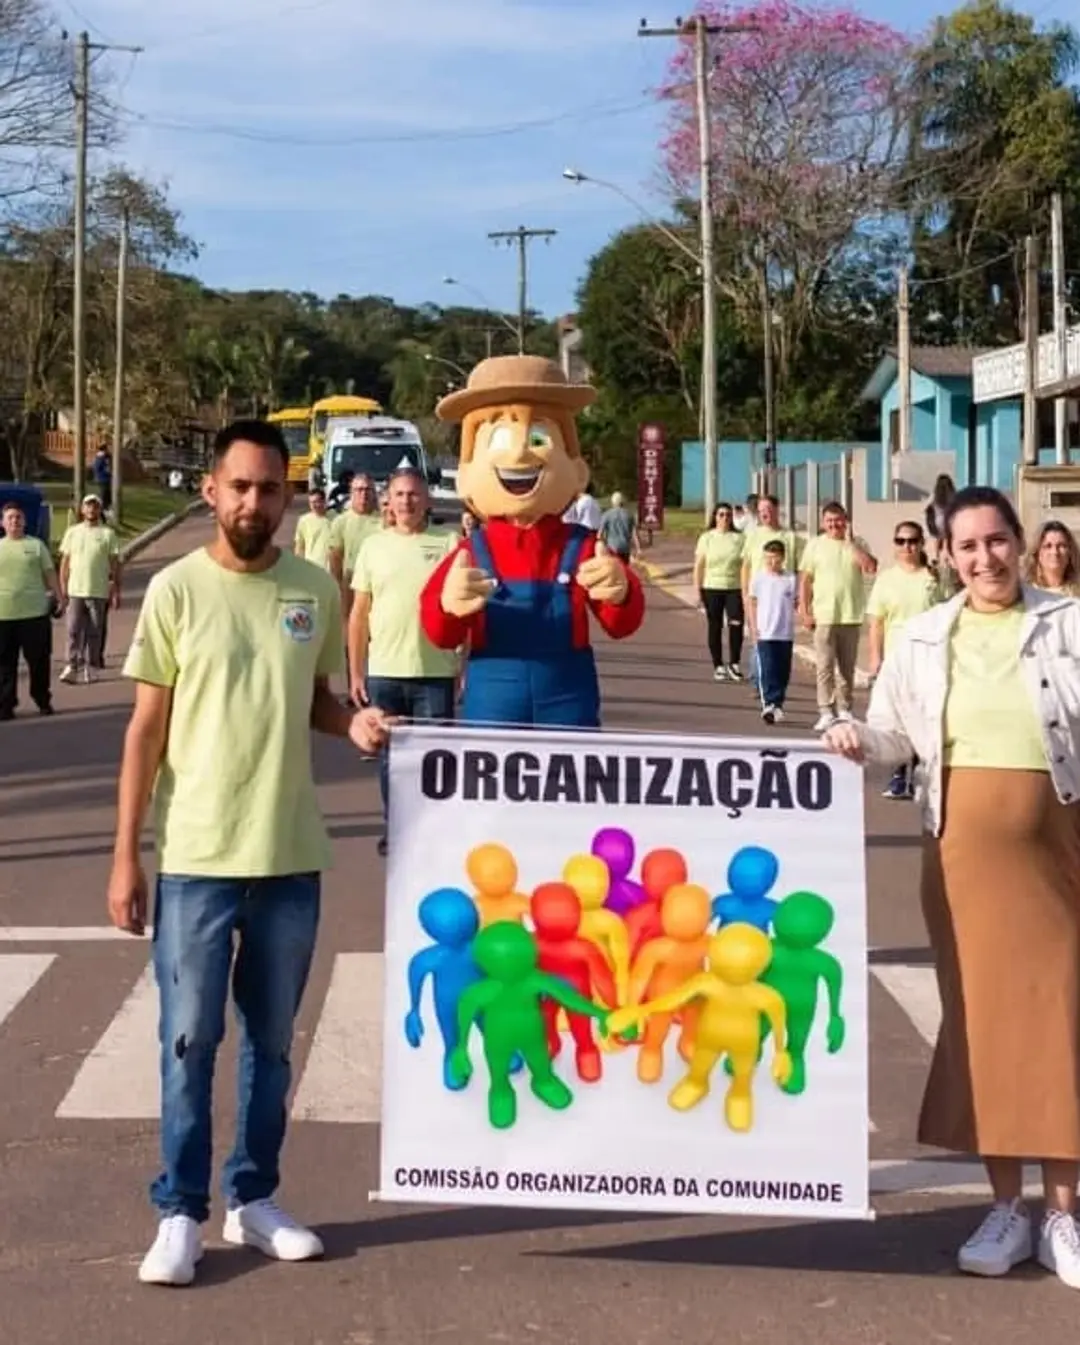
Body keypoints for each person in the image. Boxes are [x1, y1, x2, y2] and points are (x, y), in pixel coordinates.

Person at [107, 419, 392, 1288]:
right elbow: (145, 728)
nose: (252, 503)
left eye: (268, 489)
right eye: (238, 487)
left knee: (271, 1045)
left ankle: (253, 1197)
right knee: (189, 1039)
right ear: (211, 491)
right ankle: (179, 1210)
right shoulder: (176, 590)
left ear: (287, 496)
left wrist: (356, 722)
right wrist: (127, 859)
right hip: (195, 854)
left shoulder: (312, 586)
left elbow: (316, 699)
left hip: (288, 854)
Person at [822, 485, 1080, 1290]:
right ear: (947, 554)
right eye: (967, 547)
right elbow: (896, 734)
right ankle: (1007, 1207)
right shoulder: (925, 636)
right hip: (962, 859)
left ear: (1020, 540)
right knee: (984, 1027)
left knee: (1062, 1020)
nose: (986, 559)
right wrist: (851, 736)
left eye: (997, 541)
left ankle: (1065, 1213)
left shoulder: (1069, 624)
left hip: (1060, 851)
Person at [420, 355, 645, 729]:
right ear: (466, 472)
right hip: (492, 706)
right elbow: (440, 634)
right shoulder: (470, 553)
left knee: (572, 786)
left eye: (539, 438)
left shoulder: (584, 546)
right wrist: (447, 605)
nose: (520, 453)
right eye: (501, 440)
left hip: (569, 706)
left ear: (575, 467)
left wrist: (621, 593)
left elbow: (621, 625)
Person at [348, 464, 459, 856]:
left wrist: (463, 664)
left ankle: (433, 829)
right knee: (390, 760)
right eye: (399, 495)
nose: (407, 501)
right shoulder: (373, 547)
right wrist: (356, 671)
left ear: (427, 500)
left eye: (414, 494)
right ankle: (396, 827)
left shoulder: (448, 542)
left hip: (435, 671)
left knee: (435, 761)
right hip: (384, 672)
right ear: (388, 502)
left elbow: (464, 608)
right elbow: (359, 613)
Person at [865, 520, 941, 800]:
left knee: (925, 718)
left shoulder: (932, 579)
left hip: (929, 659)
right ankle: (899, 775)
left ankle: (922, 773)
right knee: (897, 720)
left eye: (912, 541)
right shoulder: (886, 579)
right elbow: (877, 621)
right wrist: (876, 657)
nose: (907, 546)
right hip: (898, 662)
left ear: (921, 543)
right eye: (901, 541)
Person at [798, 501, 877, 732]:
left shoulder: (856, 544)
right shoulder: (814, 546)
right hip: (824, 615)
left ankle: (845, 709)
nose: (834, 525)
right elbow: (805, 580)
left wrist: (850, 543)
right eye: (830, 521)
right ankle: (825, 711)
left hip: (850, 615)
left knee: (846, 668)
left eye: (838, 520)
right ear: (823, 523)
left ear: (846, 520)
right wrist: (805, 610)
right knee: (824, 666)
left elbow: (870, 567)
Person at [0, 500, 62, 720]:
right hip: (4, 616)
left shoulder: (36, 546)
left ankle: (42, 699)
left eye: (18, 517)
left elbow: (50, 573)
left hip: (34, 614)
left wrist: (59, 597)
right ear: (2, 523)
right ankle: (5, 705)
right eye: (10, 518)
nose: (15, 521)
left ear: (24, 521)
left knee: (38, 661)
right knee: (5, 664)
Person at [58, 493, 120, 683]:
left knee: (95, 631)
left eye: (95, 506)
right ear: (82, 509)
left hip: (98, 590)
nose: (91, 510)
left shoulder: (107, 534)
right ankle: (73, 665)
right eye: (88, 506)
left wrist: (115, 590)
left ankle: (92, 667)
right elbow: (65, 562)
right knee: (73, 629)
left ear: (99, 510)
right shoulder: (73, 532)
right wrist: (63, 587)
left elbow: (114, 564)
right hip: (76, 590)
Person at [693, 502, 745, 681]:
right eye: (721, 514)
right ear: (715, 517)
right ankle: (718, 664)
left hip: (734, 587)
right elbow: (699, 566)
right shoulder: (706, 538)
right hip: (711, 587)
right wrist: (697, 591)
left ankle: (735, 663)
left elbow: (746, 566)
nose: (724, 518)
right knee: (715, 626)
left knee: (736, 624)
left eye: (728, 515)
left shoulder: (739, 538)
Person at [747, 539, 797, 725]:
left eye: (776, 559)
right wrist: (753, 627)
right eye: (768, 559)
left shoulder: (790, 579)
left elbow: (797, 602)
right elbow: (752, 603)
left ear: (783, 558)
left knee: (783, 672)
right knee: (767, 669)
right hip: (765, 632)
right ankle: (768, 704)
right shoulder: (758, 578)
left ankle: (778, 705)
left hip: (784, 633)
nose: (772, 563)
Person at [1024, 520, 1080, 596]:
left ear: (1070, 552)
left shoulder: (1077, 593)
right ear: (1036, 553)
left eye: (1061, 546)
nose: (1055, 552)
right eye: (1048, 546)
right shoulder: (1025, 593)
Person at [293, 487, 334, 571]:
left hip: (331, 568)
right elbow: (300, 546)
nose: (314, 505)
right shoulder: (304, 520)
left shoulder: (335, 518)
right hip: (312, 567)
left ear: (324, 501)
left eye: (316, 501)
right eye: (311, 502)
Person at [597, 492, 639, 563]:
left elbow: (599, 535)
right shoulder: (629, 514)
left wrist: (605, 543)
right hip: (625, 548)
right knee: (625, 570)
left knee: (615, 571)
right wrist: (638, 548)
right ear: (623, 502)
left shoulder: (607, 515)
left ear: (612, 502)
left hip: (612, 548)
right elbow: (634, 534)